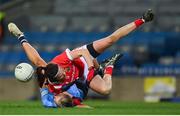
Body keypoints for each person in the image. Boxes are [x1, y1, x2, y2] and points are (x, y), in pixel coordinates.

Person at [8, 9, 154, 100]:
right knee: (105, 90)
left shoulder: (61, 61)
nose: (64, 72)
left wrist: (92, 67)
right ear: (55, 79)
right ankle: (108, 66)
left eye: (62, 69)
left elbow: (82, 52)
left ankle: (142, 19)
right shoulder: (50, 83)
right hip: (83, 75)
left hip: (83, 59)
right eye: (61, 75)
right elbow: (54, 97)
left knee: (111, 39)